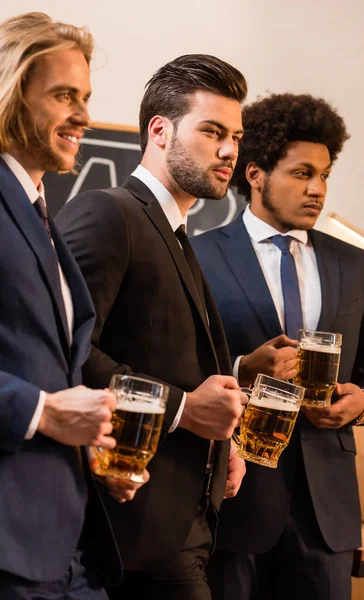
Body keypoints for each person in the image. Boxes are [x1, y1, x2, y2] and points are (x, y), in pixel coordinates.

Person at [56, 54, 248, 600]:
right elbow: (68, 356)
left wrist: (222, 443)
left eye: (235, 135)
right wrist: (186, 410)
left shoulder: (176, 230)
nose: (230, 150)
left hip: (182, 527)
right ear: (159, 131)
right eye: (212, 131)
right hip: (125, 532)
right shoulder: (107, 213)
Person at [192, 92, 364, 600]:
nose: (318, 189)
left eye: (324, 175)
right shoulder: (197, 256)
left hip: (327, 511)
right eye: (302, 173)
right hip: (233, 501)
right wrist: (241, 368)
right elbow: (181, 365)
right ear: (256, 172)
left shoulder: (356, 264)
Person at [0, 12, 148, 599]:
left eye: (84, 97)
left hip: (68, 542)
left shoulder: (40, 212)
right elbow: (43, 398)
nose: (84, 116)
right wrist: (40, 412)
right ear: (12, 95)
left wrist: (89, 438)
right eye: (64, 96)